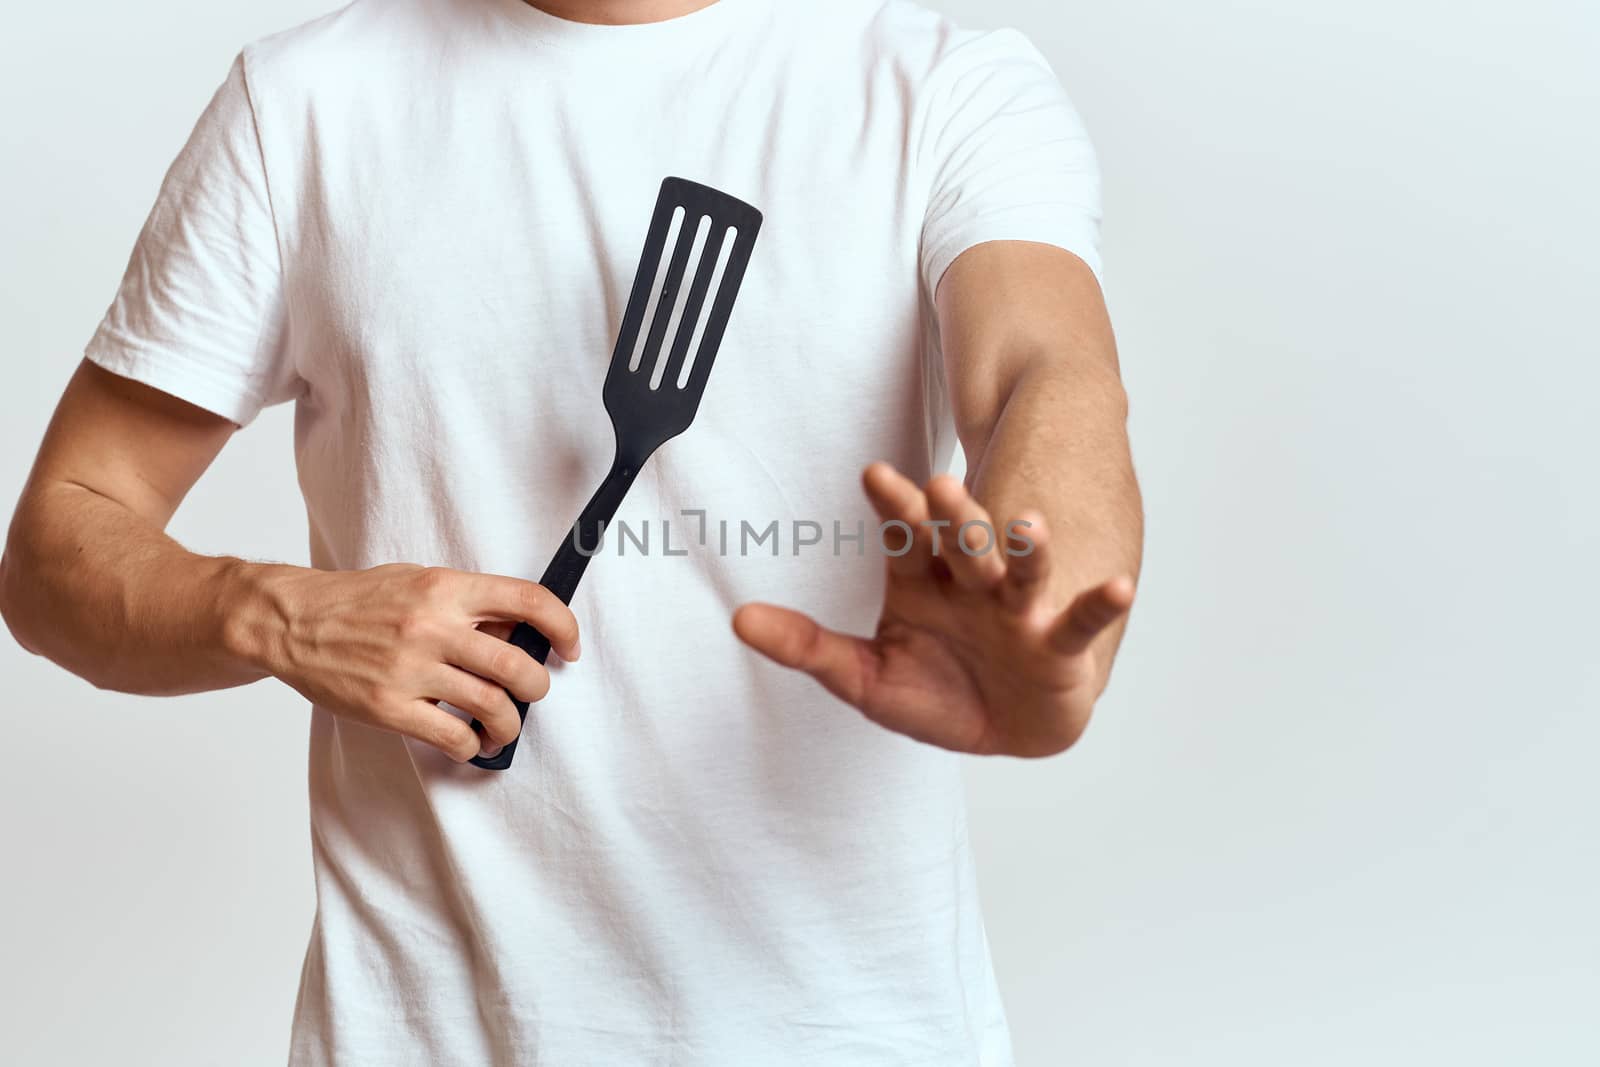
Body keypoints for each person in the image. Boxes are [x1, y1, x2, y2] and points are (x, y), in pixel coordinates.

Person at [0, 0, 1143, 1062]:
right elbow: (56, 547)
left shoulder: (939, 82)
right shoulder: (306, 100)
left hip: (852, 1028)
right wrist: (279, 613)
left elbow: (1048, 373)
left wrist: (1041, 612)